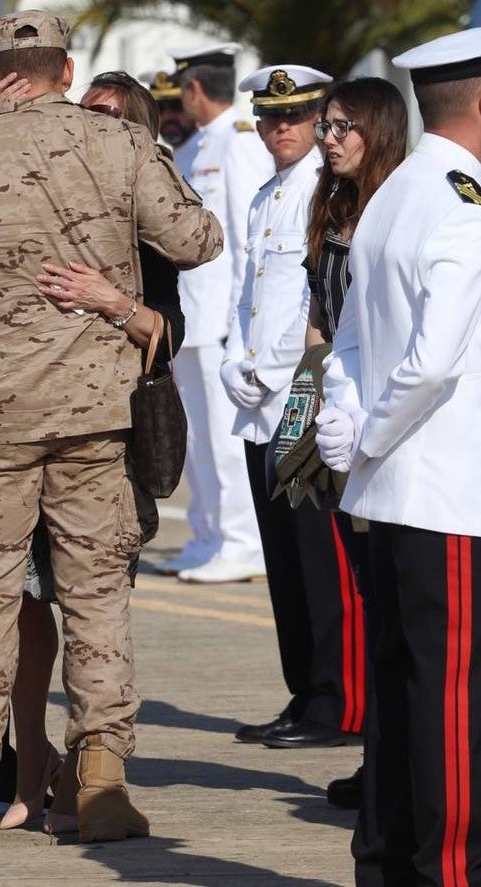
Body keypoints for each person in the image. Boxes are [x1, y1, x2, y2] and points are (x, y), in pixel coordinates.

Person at [0, 10, 223, 847]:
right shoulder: (119, 145)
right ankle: (102, 783)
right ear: (66, 72)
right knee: (97, 601)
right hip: (92, 419)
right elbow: (198, 238)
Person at [0, 69, 186, 834]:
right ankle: (31, 770)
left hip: (110, 443)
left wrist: (114, 304)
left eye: (105, 119)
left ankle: (94, 774)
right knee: (29, 612)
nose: (87, 132)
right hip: (28, 436)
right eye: (82, 116)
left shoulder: (145, 214)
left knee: (96, 613)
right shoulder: (37, 197)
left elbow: (170, 334)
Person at [317, 27, 481, 887]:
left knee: (398, 692)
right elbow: (434, 360)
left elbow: (348, 336)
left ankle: (384, 866)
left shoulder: (395, 192)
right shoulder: (463, 198)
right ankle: (452, 872)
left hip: (383, 496)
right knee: (454, 699)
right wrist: (373, 433)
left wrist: (348, 431)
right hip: (446, 496)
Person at [221, 64, 365, 749]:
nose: (283, 128)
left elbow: (319, 303)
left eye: (298, 116)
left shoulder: (331, 197)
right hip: (257, 401)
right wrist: (233, 364)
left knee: (322, 559)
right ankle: (306, 690)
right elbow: (243, 293)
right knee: (284, 560)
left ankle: (340, 702)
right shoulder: (262, 197)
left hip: (305, 393)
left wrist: (271, 368)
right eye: (272, 117)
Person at [303, 77, 408, 809]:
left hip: (385, 418)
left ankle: (395, 766)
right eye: (326, 126)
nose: (330, 138)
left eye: (344, 126)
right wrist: (303, 411)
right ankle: (381, 760)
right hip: (333, 402)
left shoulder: (399, 206)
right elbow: (320, 310)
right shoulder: (332, 205)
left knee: (394, 600)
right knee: (364, 590)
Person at [163, 43, 272, 583]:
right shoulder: (198, 146)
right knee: (199, 441)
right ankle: (208, 537)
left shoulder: (239, 143)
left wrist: (239, 324)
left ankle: (243, 543)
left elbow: (251, 240)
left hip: (221, 321)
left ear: (196, 90)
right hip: (192, 319)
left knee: (227, 442)